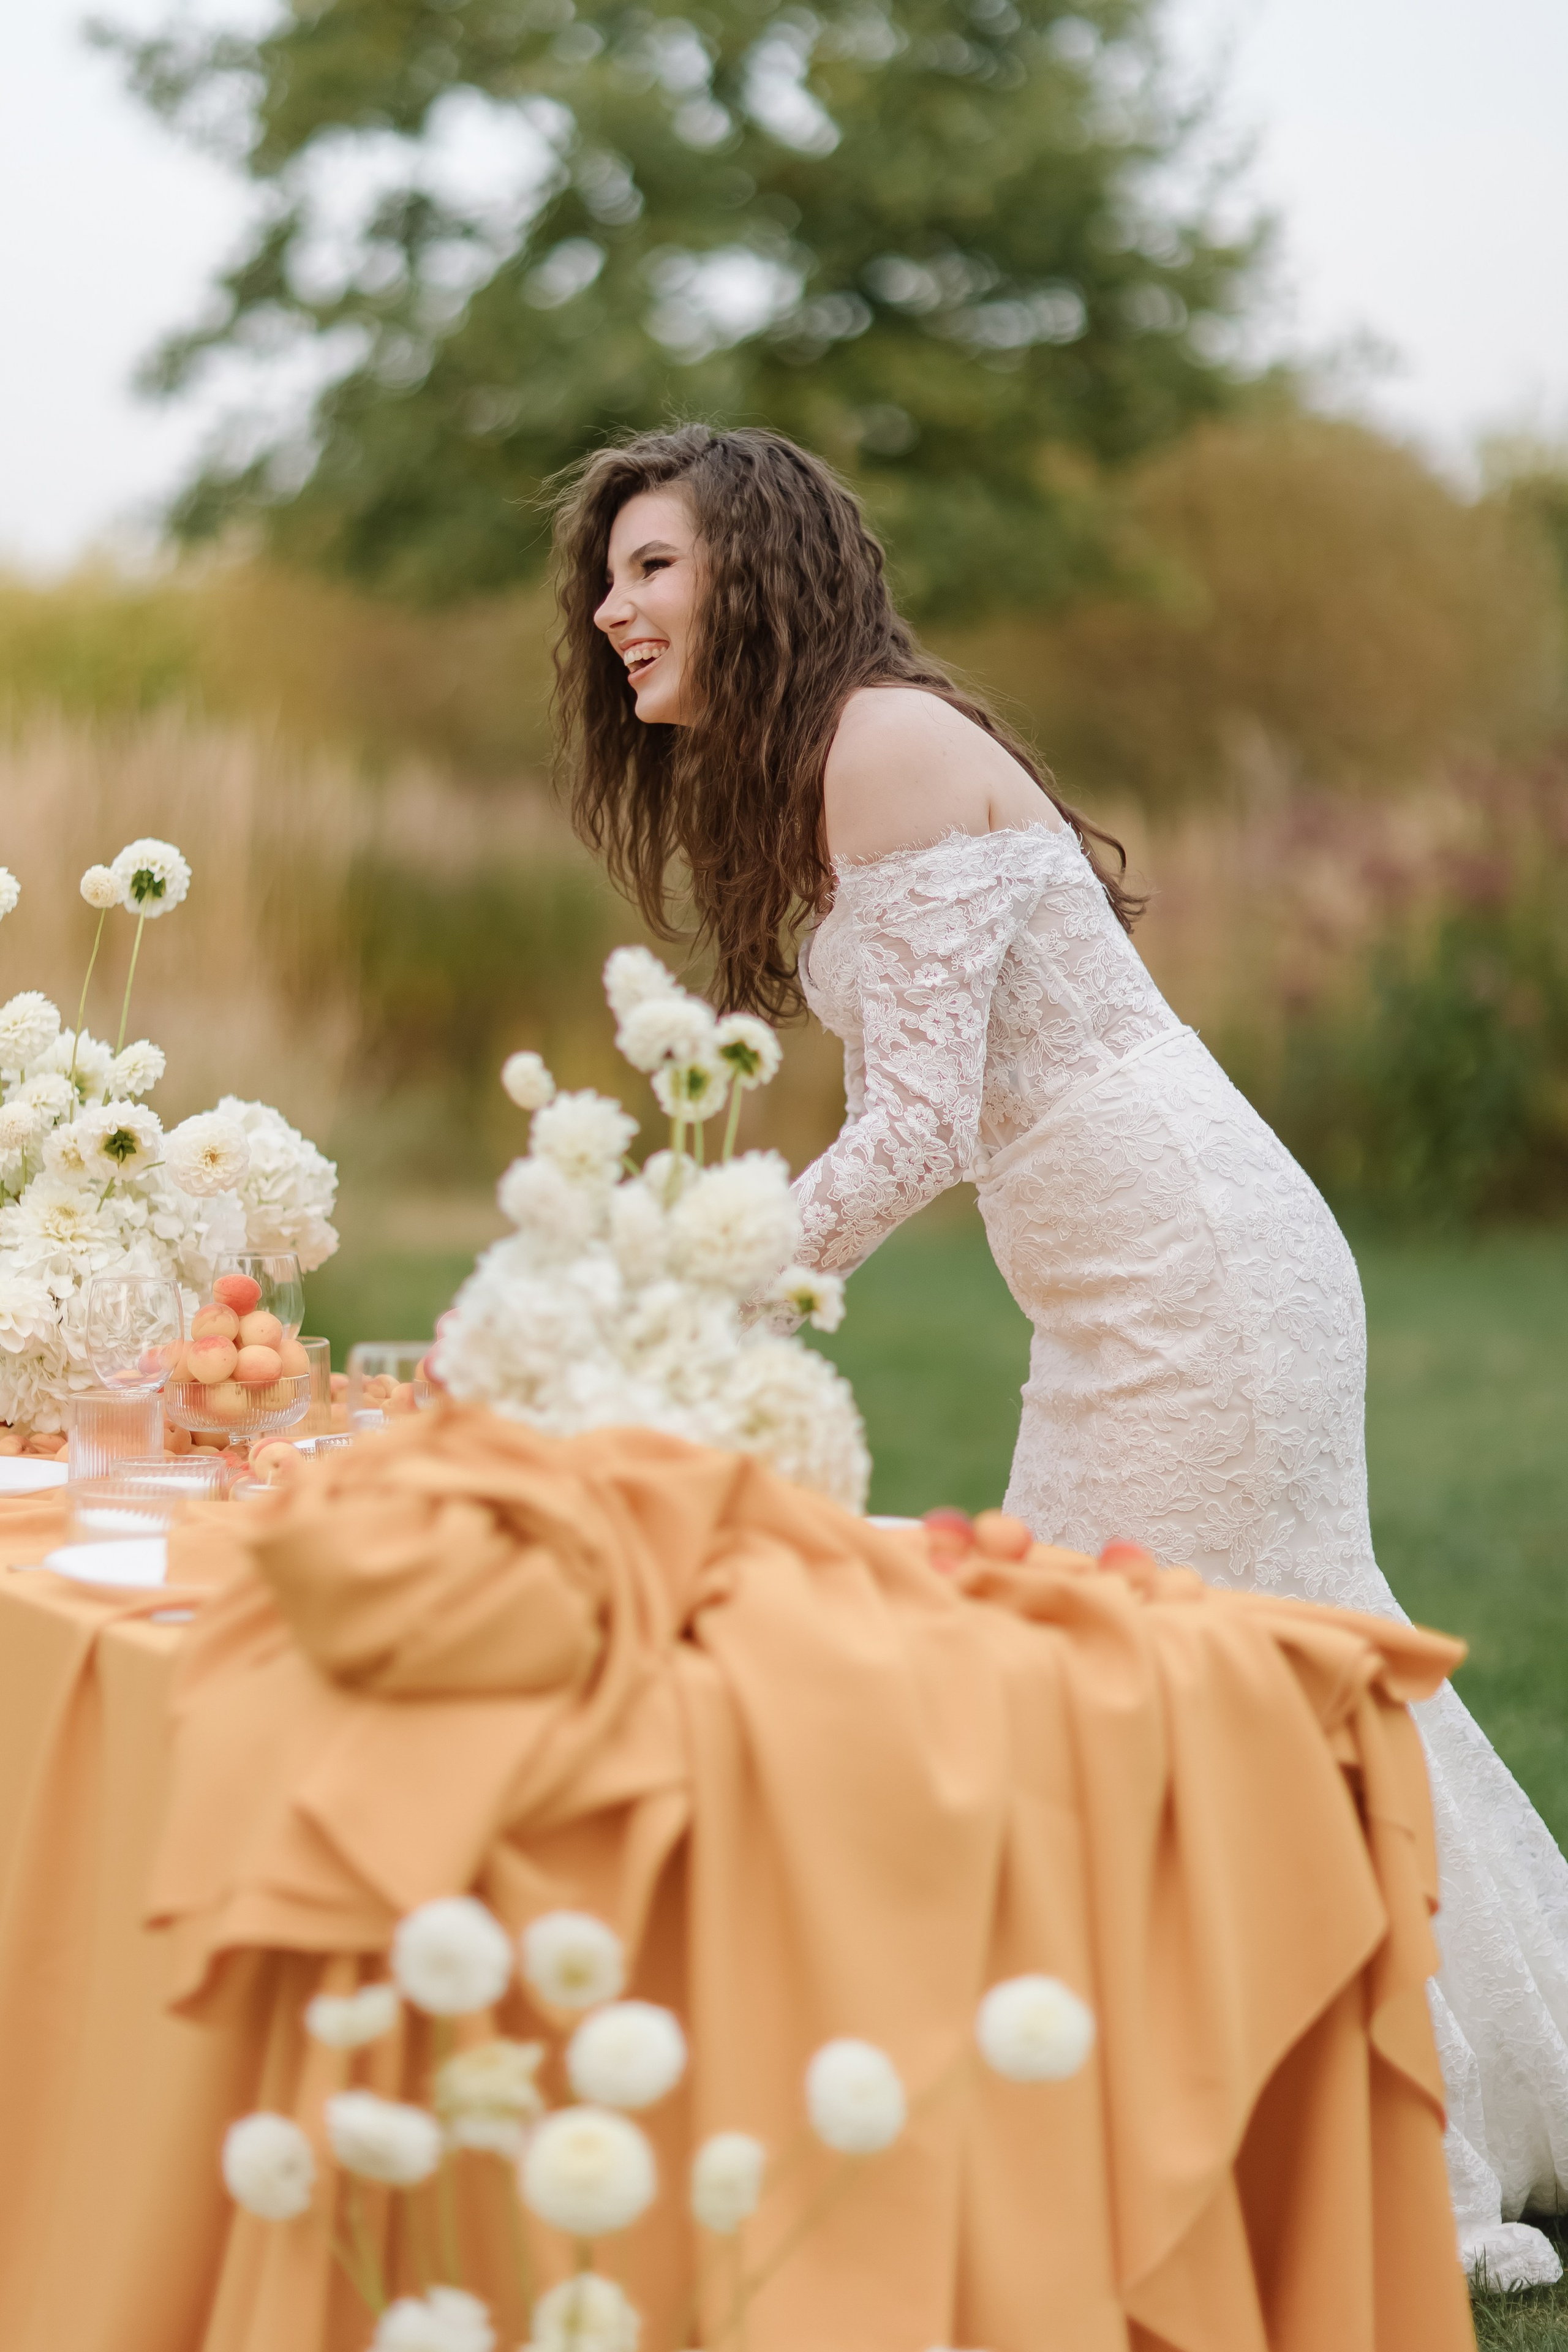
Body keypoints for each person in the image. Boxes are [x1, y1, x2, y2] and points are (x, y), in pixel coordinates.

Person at [552, 420, 1568, 2285]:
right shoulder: (831, 763)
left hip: (1196, 1270)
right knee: (1187, 1676)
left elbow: (922, 1120)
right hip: (1105, 1295)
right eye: (608, 576)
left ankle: (1409, 2178)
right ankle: (1278, 2114)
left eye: (654, 567)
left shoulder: (884, 742)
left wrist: (709, 1276)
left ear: (758, 569)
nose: (614, 611)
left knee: (1230, 1684)